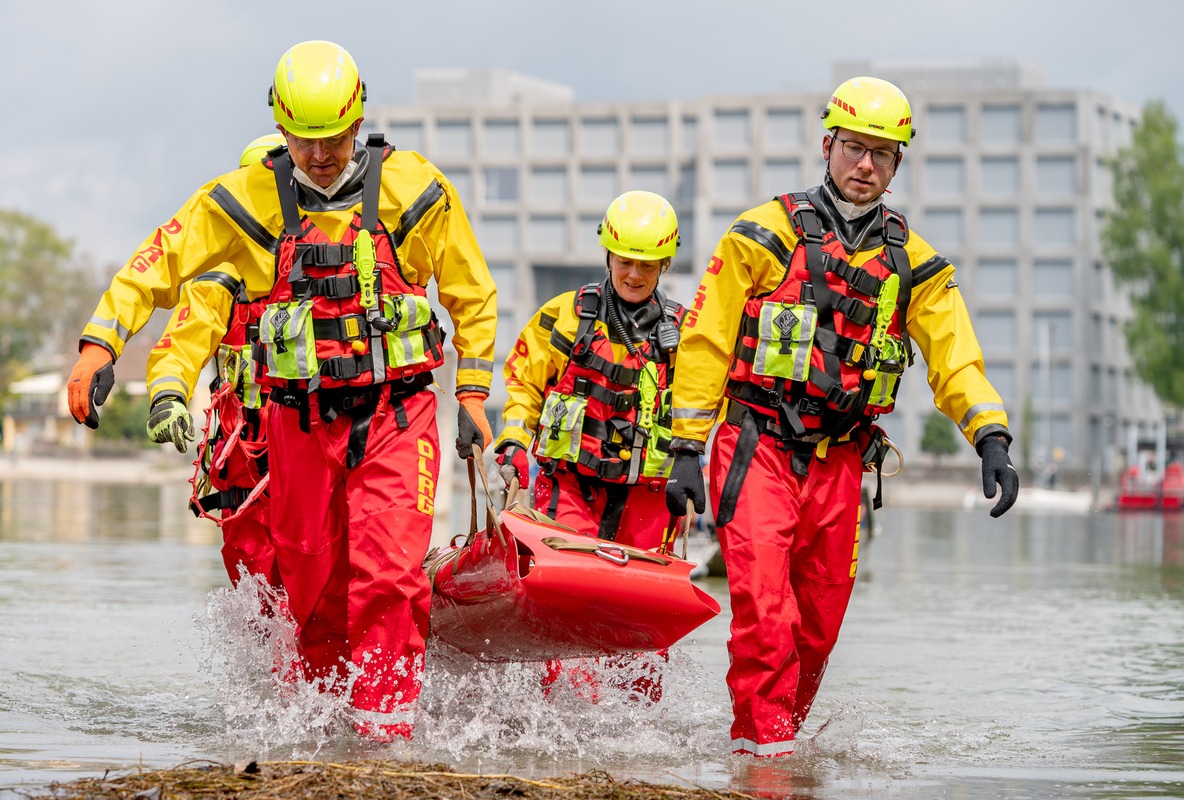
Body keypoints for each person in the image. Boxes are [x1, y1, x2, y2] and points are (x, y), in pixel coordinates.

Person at [66, 41, 497, 743]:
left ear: (358, 122)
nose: (319, 154)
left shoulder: (416, 190)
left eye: (332, 138)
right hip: (297, 424)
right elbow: (159, 260)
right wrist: (98, 345)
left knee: (387, 575)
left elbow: (473, 295)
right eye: (304, 138)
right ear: (281, 125)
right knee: (314, 590)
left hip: (398, 412)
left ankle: (385, 739)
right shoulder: (243, 200)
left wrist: (473, 396)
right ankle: (322, 735)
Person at [664, 76, 1019, 757]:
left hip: (843, 463)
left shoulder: (915, 266)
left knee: (816, 629)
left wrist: (991, 436)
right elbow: (706, 342)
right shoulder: (760, 235)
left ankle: (771, 743)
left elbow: (955, 359)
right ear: (827, 145)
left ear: (897, 166)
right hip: (757, 446)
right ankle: (763, 760)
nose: (865, 165)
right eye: (854, 148)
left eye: (882, 155)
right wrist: (684, 447)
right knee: (766, 617)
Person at [494, 190, 684, 549]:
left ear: (665, 265)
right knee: (567, 570)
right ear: (608, 255)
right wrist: (514, 442)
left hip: (650, 499)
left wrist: (690, 463)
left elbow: (704, 407)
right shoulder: (564, 317)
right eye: (625, 261)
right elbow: (524, 384)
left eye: (647, 265)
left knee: (640, 593)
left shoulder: (685, 335)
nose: (634, 274)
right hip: (571, 489)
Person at [144, 133, 286, 591]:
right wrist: (167, 394)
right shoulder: (220, 282)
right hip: (247, 453)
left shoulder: (339, 260)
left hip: (320, 436)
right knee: (256, 574)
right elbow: (182, 341)